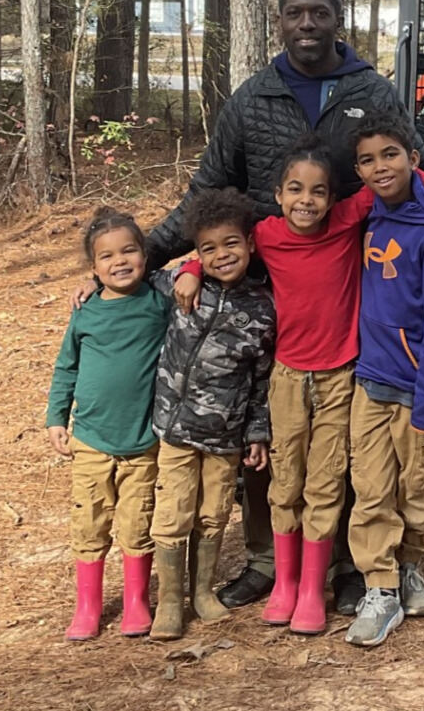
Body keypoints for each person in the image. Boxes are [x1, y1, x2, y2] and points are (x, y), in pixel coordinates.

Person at [136, 0, 424, 614]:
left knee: (341, 447)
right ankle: (268, 561)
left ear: (337, 19)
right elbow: (206, 196)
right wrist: (164, 258)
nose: (308, 24)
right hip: (265, 294)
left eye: (320, 12)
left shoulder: (369, 90)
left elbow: (419, 167)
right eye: (296, 13)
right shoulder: (251, 98)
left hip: (352, 283)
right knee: (267, 439)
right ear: (280, 21)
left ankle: (350, 564)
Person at [241, 137, 424, 635]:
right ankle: (290, 585)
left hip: (344, 375)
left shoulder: (349, 219)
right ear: (277, 194)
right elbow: (222, 249)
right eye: (294, 190)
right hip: (294, 376)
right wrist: (189, 267)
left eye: (319, 191)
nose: (306, 200)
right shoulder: (267, 234)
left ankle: (343, 583)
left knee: (340, 482)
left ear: (335, 196)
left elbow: (395, 180)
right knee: (295, 482)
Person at [343, 112, 424, 648]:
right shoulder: (367, 212)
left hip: (419, 389)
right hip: (371, 381)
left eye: (390, 155)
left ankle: (411, 565)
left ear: (413, 159)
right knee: (370, 491)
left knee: (416, 489)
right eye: (367, 160)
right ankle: (381, 587)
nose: (379, 167)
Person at [147, 190, 275, 641]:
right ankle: (169, 601)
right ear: (197, 252)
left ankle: (202, 592)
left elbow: (262, 380)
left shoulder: (262, 309)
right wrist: (189, 269)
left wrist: (257, 430)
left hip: (226, 437)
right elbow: (134, 271)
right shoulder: (181, 286)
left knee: (213, 515)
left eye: (231, 244)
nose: (222, 255)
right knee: (173, 513)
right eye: (208, 249)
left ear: (250, 243)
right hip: (176, 429)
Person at [46, 209, 173, 641]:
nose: (119, 261)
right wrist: (56, 418)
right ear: (93, 268)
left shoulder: (159, 303)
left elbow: (194, 270)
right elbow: (67, 367)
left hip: (142, 440)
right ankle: (89, 605)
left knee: (137, 522)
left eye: (129, 251)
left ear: (145, 255)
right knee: (90, 521)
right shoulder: (87, 313)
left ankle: (137, 600)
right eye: (106, 257)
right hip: (91, 439)